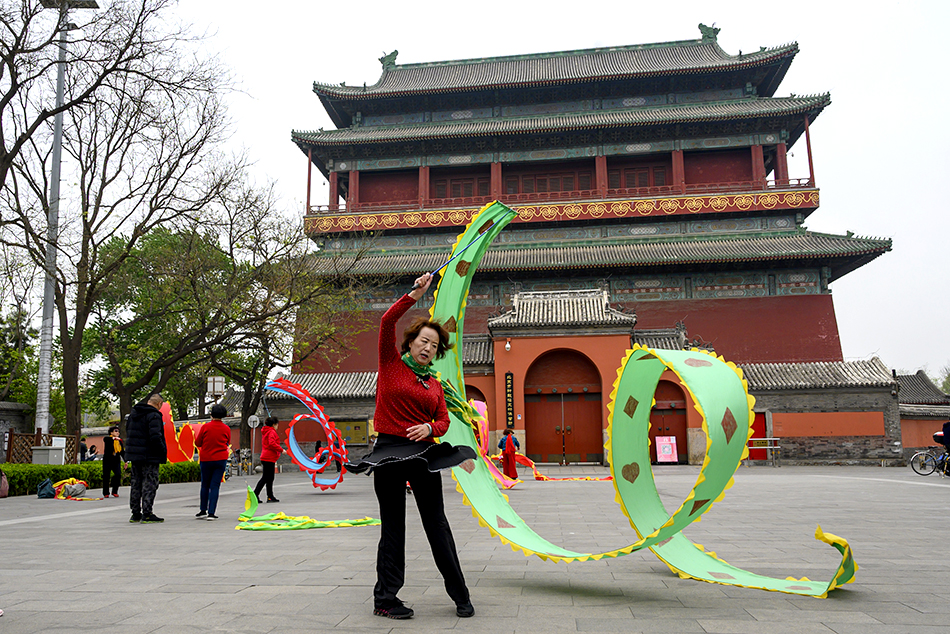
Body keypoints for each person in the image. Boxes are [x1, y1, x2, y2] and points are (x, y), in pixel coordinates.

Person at [346, 272, 477, 620]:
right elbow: (387, 320)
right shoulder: (390, 366)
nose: (428, 348)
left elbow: (445, 421)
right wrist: (415, 295)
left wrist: (430, 427)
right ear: (411, 342)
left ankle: (460, 594)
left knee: (437, 525)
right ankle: (385, 599)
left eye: (434, 345)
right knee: (394, 528)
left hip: (422, 456)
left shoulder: (435, 385)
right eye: (423, 341)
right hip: (389, 453)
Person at [125, 393, 168, 523]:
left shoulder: (133, 415)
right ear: (159, 404)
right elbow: (155, 436)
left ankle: (135, 513)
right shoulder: (154, 415)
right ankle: (147, 513)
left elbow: (129, 432)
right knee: (150, 483)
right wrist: (162, 450)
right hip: (150, 455)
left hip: (135, 455)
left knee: (136, 483)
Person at [194, 404, 231, 520]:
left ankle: (202, 510)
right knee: (215, 486)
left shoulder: (205, 427)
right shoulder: (226, 428)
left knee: (205, 484)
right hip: (220, 459)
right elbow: (227, 442)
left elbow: (198, 443)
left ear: (211, 414)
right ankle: (211, 512)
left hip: (206, 459)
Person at [254, 416, 284, 503]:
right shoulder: (271, 432)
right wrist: (281, 450)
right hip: (268, 457)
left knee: (269, 477)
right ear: (274, 424)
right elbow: (272, 443)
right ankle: (256, 494)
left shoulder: (266, 431)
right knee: (266, 477)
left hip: (266, 456)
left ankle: (270, 496)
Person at [102, 425, 126, 497]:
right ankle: (106, 493)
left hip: (116, 461)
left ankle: (114, 491)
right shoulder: (108, 439)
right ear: (111, 432)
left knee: (118, 474)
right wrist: (114, 439)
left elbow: (122, 452)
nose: (117, 433)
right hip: (107, 460)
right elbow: (106, 440)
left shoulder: (119, 441)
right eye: (116, 431)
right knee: (106, 476)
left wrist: (126, 461)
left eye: (118, 431)